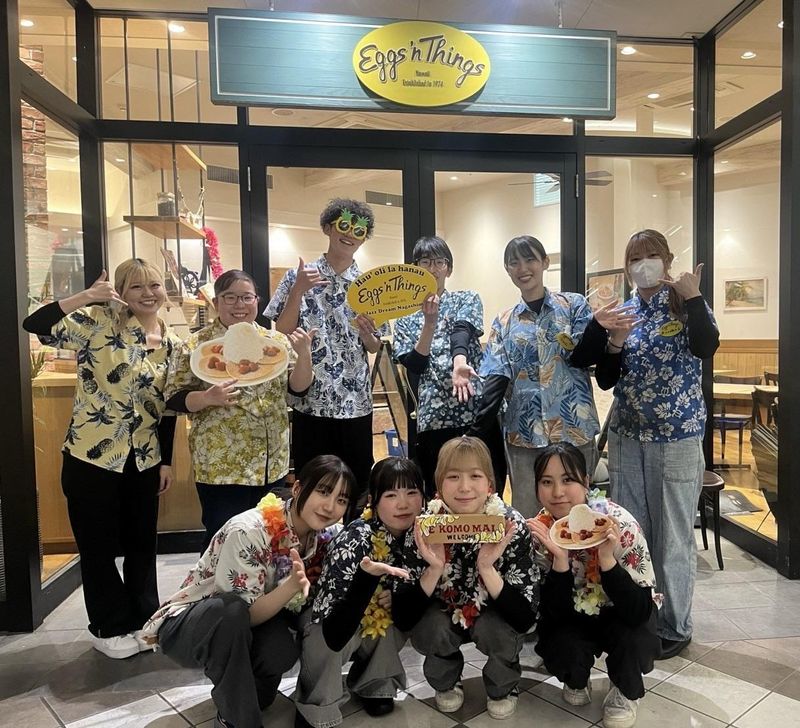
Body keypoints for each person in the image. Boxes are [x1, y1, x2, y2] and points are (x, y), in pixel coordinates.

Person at [22, 259, 180, 659]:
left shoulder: (174, 343)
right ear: (121, 294)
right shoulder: (97, 324)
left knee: (142, 545)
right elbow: (34, 324)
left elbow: (168, 408)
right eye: (136, 287)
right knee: (97, 547)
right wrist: (86, 296)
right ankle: (108, 627)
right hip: (91, 457)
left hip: (144, 460)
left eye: (154, 285)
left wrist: (165, 460)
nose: (148, 294)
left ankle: (144, 620)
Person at [140, 455, 354, 728]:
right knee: (231, 611)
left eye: (341, 499)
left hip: (251, 624)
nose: (330, 506)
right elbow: (242, 613)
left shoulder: (327, 534)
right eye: (323, 492)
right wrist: (291, 586)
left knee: (280, 651)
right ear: (298, 488)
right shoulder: (249, 530)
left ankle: (241, 698)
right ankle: (238, 720)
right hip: (195, 624)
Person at [594, 229, 719, 660]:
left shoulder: (685, 304)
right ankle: (639, 616)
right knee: (632, 531)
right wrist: (614, 342)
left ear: (666, 259)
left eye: (651, 255)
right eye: (635, 258)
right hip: (628, 437)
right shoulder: (624, 311)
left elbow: (706, 346)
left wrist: (695, 297)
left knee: (673, 536)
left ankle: (675, 624)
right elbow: (607, 379)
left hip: (677, 435)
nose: (643, 264)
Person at [164, 269, 316, 551]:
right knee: (224, 540)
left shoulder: (276, 343)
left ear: (257, 301)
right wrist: (207, 397)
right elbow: (174, 397)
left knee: (270, 538)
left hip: (271, 462)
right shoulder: (197, 346)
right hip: (222, 466)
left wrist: (305, 354)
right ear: (216, 302)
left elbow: (298, 388)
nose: (239, 305)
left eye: (246, 297)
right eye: (230, 297)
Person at [393, 436, 539, 720]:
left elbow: (525, 618)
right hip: (444, 612)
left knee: (497, 630)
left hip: (494, 614)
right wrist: (434, 568)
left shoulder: (510, 526)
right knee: (432, 627)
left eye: (475, 476)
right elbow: (404, 617)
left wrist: (487, 568)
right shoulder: (423, 527)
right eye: (453, 477)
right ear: (438, 485)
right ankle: (445, 679)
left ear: (490, 485)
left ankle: (502, 686)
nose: (464, 487)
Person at [265, 198, 389, 519]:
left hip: (355, 403)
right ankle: (310, 544)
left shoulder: (370, 287)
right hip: (311, 401)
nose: (350, 235)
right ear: (327, 228)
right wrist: (298, 291)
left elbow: (374, 346)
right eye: (343, 225)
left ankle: (350, 541)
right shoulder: (298, 277)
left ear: (364, 238)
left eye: (359, 231)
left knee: (355, 485)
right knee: (311, 483)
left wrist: (368, 334)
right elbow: (282, 329)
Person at [527, 443, 660, 728]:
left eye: (568, 480)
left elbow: (639, 611)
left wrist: (607, 559)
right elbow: (551, 616)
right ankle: (576, 678)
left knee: (634, 638)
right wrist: (560, 560)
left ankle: (624, 689)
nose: (557, 492)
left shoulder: (618, 524)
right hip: (573, 616)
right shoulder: (541, 533)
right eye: (546, 482)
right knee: (560, 644)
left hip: (621, 614)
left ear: (586, 482)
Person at [471, 235, 602, 517]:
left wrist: (602, 328)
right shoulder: (504, 322)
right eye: (514, 263)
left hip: (574, 428)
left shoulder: (574, 306)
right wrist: (475, 432)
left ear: (545, 262)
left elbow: (587, 355)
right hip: (525, 435)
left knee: (578, 511)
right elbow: (495, 376)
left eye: (529, 259)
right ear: (507, 270)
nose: (522, 268)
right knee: (529, 513)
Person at [294, 457, 425, 728]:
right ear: (373, 502)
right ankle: (318, 705)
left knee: (390, 616)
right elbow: (332, 620)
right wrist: (367, 583)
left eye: (412, 492)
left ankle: (376, 684)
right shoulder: (355, 539)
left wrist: (398, 594)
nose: (403, 504)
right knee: (323, 634)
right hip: (331, 616)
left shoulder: (422, 535)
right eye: (391, 495)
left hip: (373, 617)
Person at [393, 236, 506, 497]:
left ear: (449, 268)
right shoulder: (404, 316)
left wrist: (459, 362)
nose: (432, 268)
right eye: (425, 262)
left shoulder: (466, 298)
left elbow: (462, 331)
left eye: (439, 262)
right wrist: (429, 323)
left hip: (474, 411)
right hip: (434, 416)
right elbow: (415, 365)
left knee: (488, 487)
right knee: (440, 490)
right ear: (414, 268)